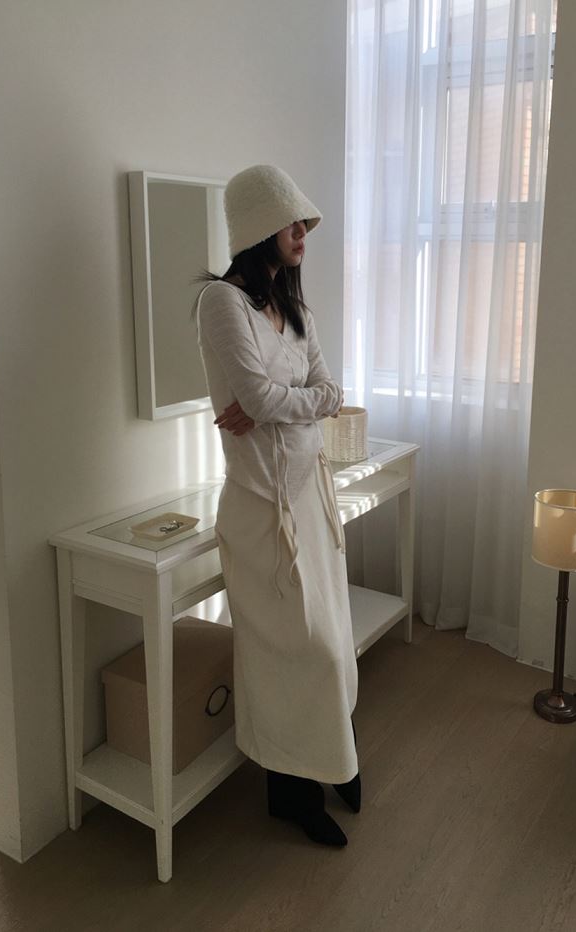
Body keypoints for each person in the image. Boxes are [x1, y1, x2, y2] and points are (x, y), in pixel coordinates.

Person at [195, 164, 360, 848]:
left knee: (333, 639)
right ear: (259, 225)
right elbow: (268, 398)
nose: (302, 233)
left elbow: (328, 391)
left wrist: (277, 405)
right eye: (291, 222)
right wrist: (286, 404)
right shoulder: (221, 303)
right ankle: (290, 792)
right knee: (293, 653)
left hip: (311, 499)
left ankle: (336, 757)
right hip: (263, 511)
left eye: (302, 223)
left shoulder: (296, 312)